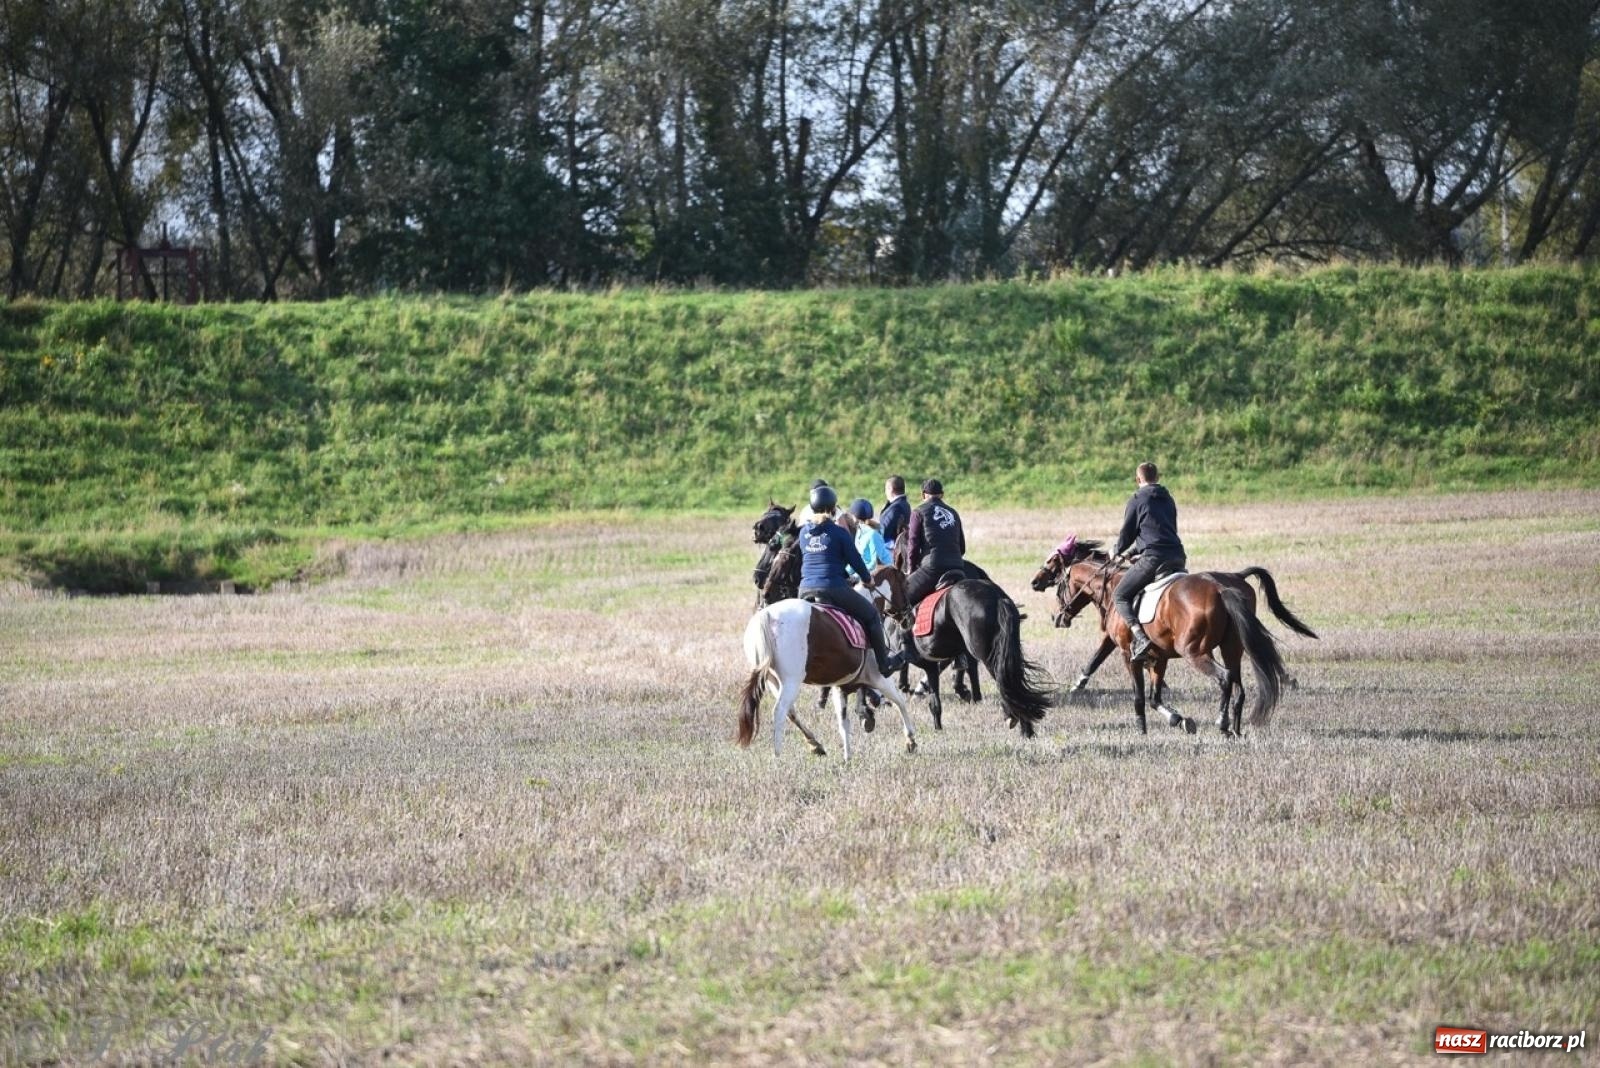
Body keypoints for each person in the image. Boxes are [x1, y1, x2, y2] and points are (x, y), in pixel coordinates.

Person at [798, 484, 906, 676]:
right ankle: (884, 664)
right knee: (872, 615)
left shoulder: (803, 533)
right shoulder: (839, 532)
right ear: (833, 509)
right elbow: (855, 559)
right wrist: (867, 579)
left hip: (804, 589)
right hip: (832, 588)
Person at [1111, 461, 1186, 664]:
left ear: (1138, 479)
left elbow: (1127, 533)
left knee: (1120, 595)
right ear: (1158, 477)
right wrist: (1136, 551)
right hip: (1178, 555)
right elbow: (1159, 531)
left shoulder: (1136, 499)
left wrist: (1116, 551)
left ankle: (1142, 639)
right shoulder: (1168, 498)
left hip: (1154, 558)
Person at [903, 478, 983, 606]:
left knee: (900, 598)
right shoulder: (953, 513)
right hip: (957, 567)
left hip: (932, 568)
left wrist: (911, 571)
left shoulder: (918, 512)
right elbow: (962, 547)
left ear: (923, 495)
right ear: (942, 495)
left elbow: (913, 545)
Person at [846, 498, 893, 571]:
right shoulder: (859, 531)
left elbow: (875, 563)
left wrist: (857, 575)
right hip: (868, 569)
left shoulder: (873, 535)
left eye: (851, 514)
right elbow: (858, 558)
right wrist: (846, 571)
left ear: (856, 516)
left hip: (884, 571)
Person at [879, 475, 911, 549]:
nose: (885, 492)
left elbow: (883, 533)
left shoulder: (895, 508)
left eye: (886, 489)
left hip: (891, 550)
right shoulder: (905, 504)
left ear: (890, 489)